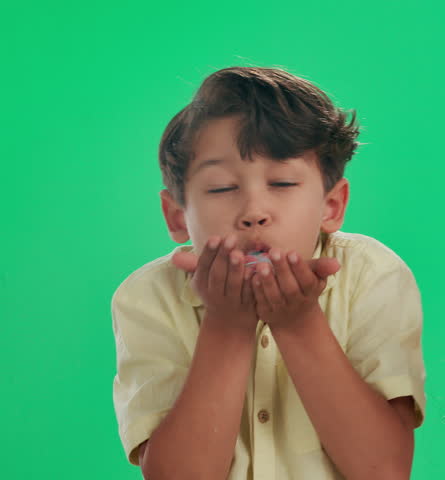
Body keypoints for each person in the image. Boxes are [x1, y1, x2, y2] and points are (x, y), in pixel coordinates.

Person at [112, 66, 425, 480]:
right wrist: (226, 325)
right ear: (177, 216)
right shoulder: (146, 297)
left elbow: (384, 470)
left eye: (280, 182)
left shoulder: (373, 275)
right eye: (222, 188)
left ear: (332, 205)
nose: (254, 212)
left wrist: (298, 323)